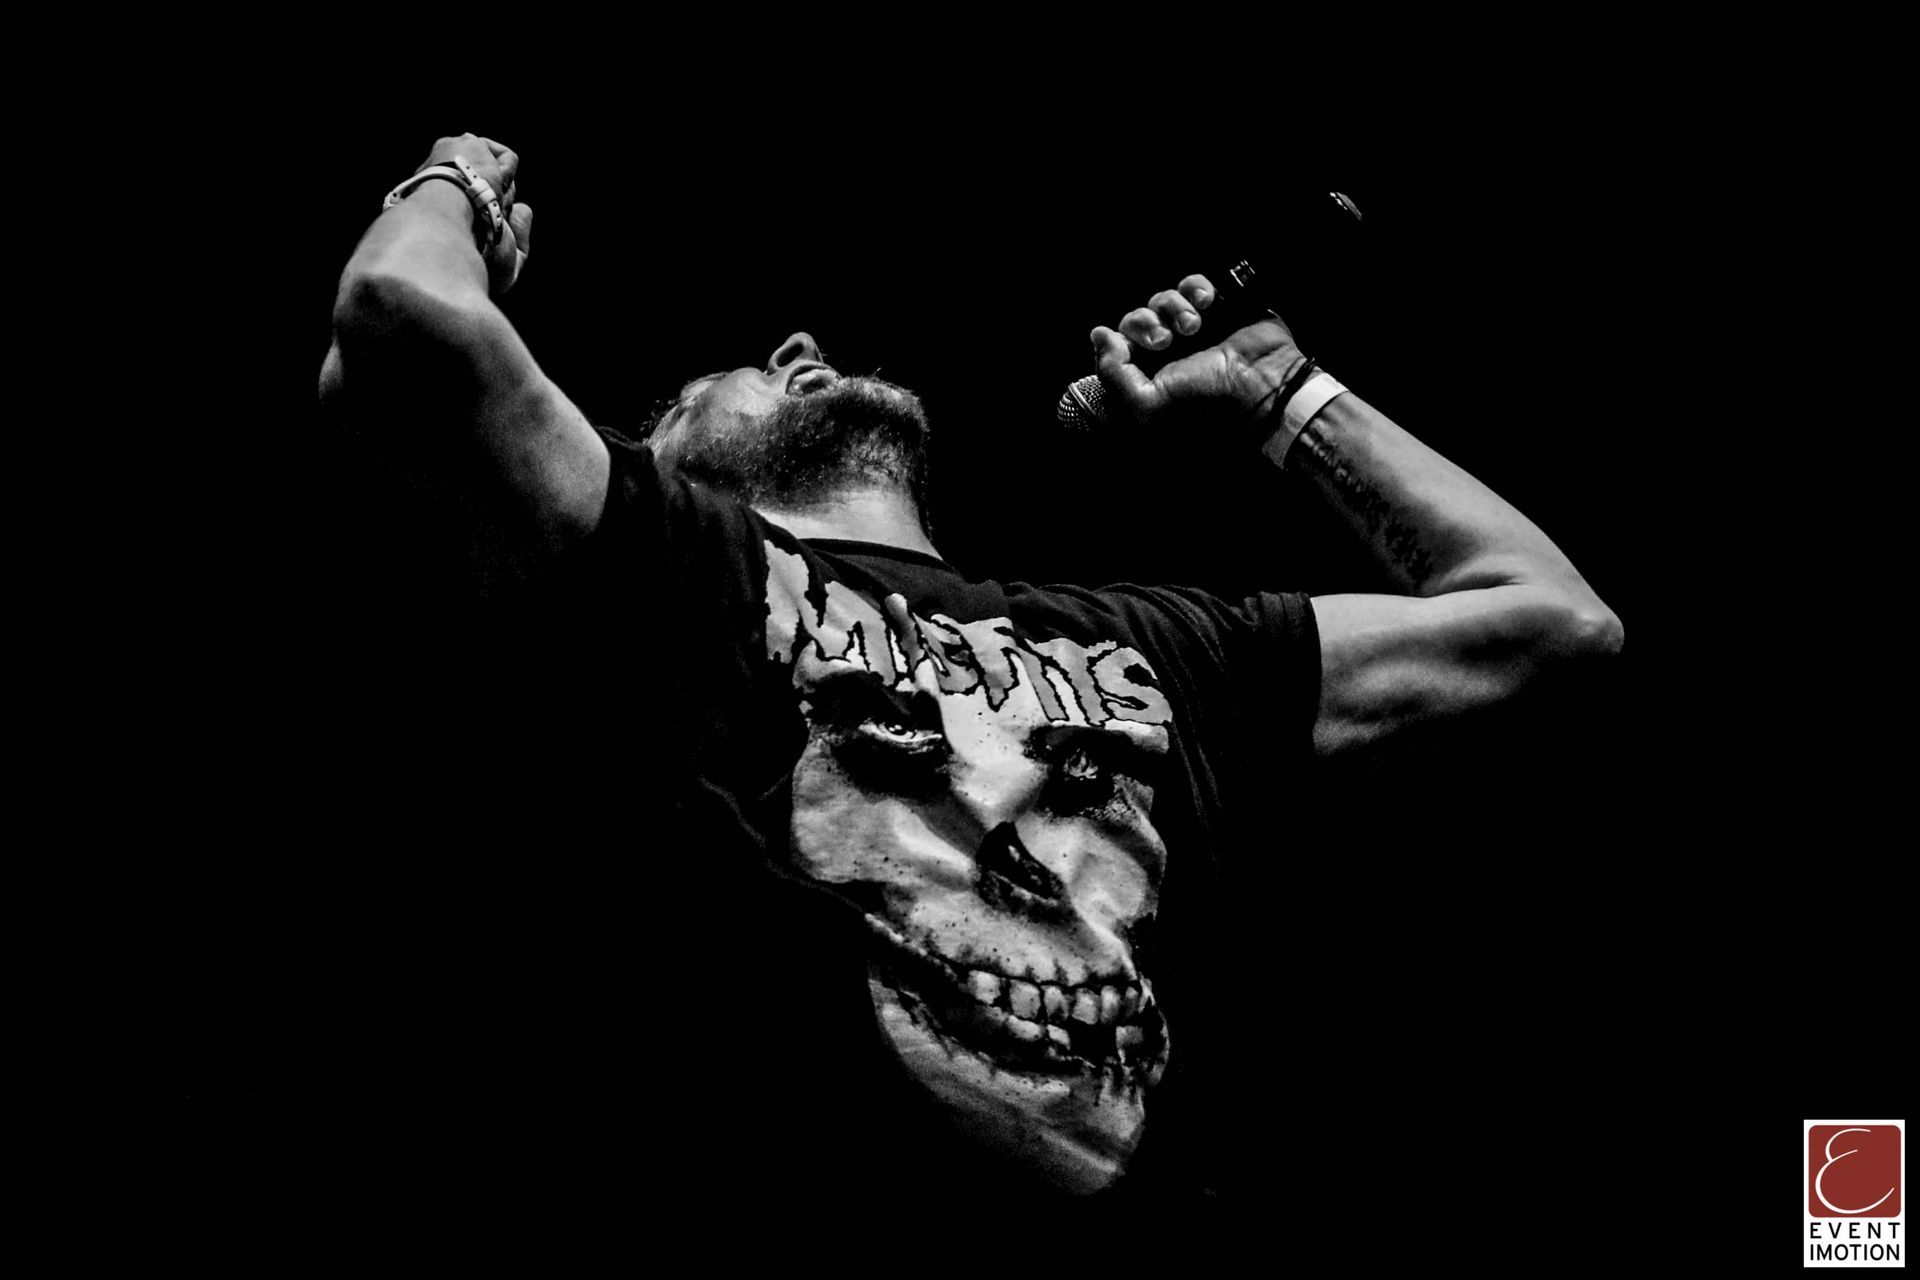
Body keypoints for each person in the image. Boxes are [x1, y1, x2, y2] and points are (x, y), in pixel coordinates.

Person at [318, 134, 1623, 1208]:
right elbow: (399, 317)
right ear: (659, 462)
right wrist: (454, 181)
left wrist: (1279, 391)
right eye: (732, 377)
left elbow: (1550, 619)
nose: (795, 348)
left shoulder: (1150, 647)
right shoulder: (674, 564)